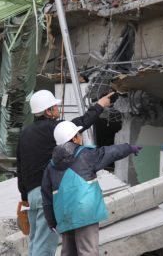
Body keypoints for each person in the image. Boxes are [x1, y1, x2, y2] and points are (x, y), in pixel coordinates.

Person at [16, 89, 114, 256]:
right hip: (46, 193)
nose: (57, 109)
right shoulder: (55, 129)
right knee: (44, 247)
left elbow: (20, 167)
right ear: (48, 111)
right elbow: (80, 123)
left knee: (35, 242)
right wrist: (99, 106)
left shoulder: (25, 134)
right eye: (55, 106)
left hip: (31, 195)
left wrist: (25, 198)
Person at [41, 121, 142, 256]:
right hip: (85, 213)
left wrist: (51, 220)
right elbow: (111, 152)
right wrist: (129, 148)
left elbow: (46, 196)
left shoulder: (51, 166)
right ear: (75, 138)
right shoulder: (86, 155)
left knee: (69, 252)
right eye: (79, 134)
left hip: (64, 216)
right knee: (88, 251)